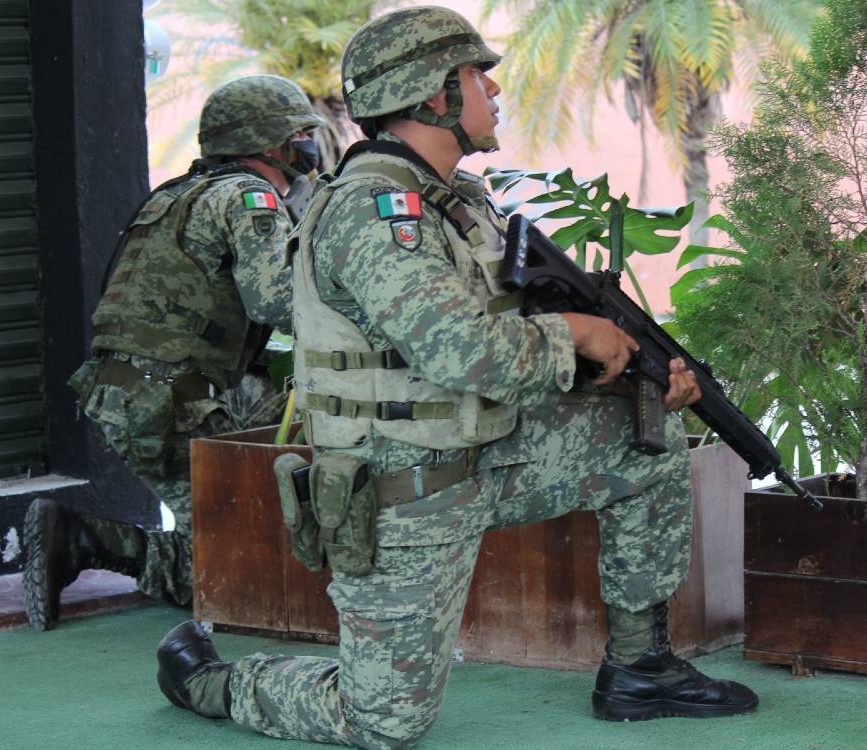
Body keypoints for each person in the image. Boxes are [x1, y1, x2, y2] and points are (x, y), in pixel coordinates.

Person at [154, 5, 758, 747]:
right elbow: (462, 351)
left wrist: (630, 368)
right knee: (382, 723)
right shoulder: (375, 213)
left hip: (488, 455)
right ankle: (209, 681)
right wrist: (575, 333)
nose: (494, 92)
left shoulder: (459, 204)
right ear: (432, 94)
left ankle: (643, 668)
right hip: (403, 492)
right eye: (478, 76)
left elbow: (514, 336)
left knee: (647, 440)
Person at [21, 75, 325, 632]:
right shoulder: (248, 197)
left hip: (139, 389)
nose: (309, 142)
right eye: (300, 132)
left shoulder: (178, 193)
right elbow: (278, 301)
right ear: (268, 142)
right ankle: (81, 537)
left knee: (297, 424)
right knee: (228, 575)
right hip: (169, 401)